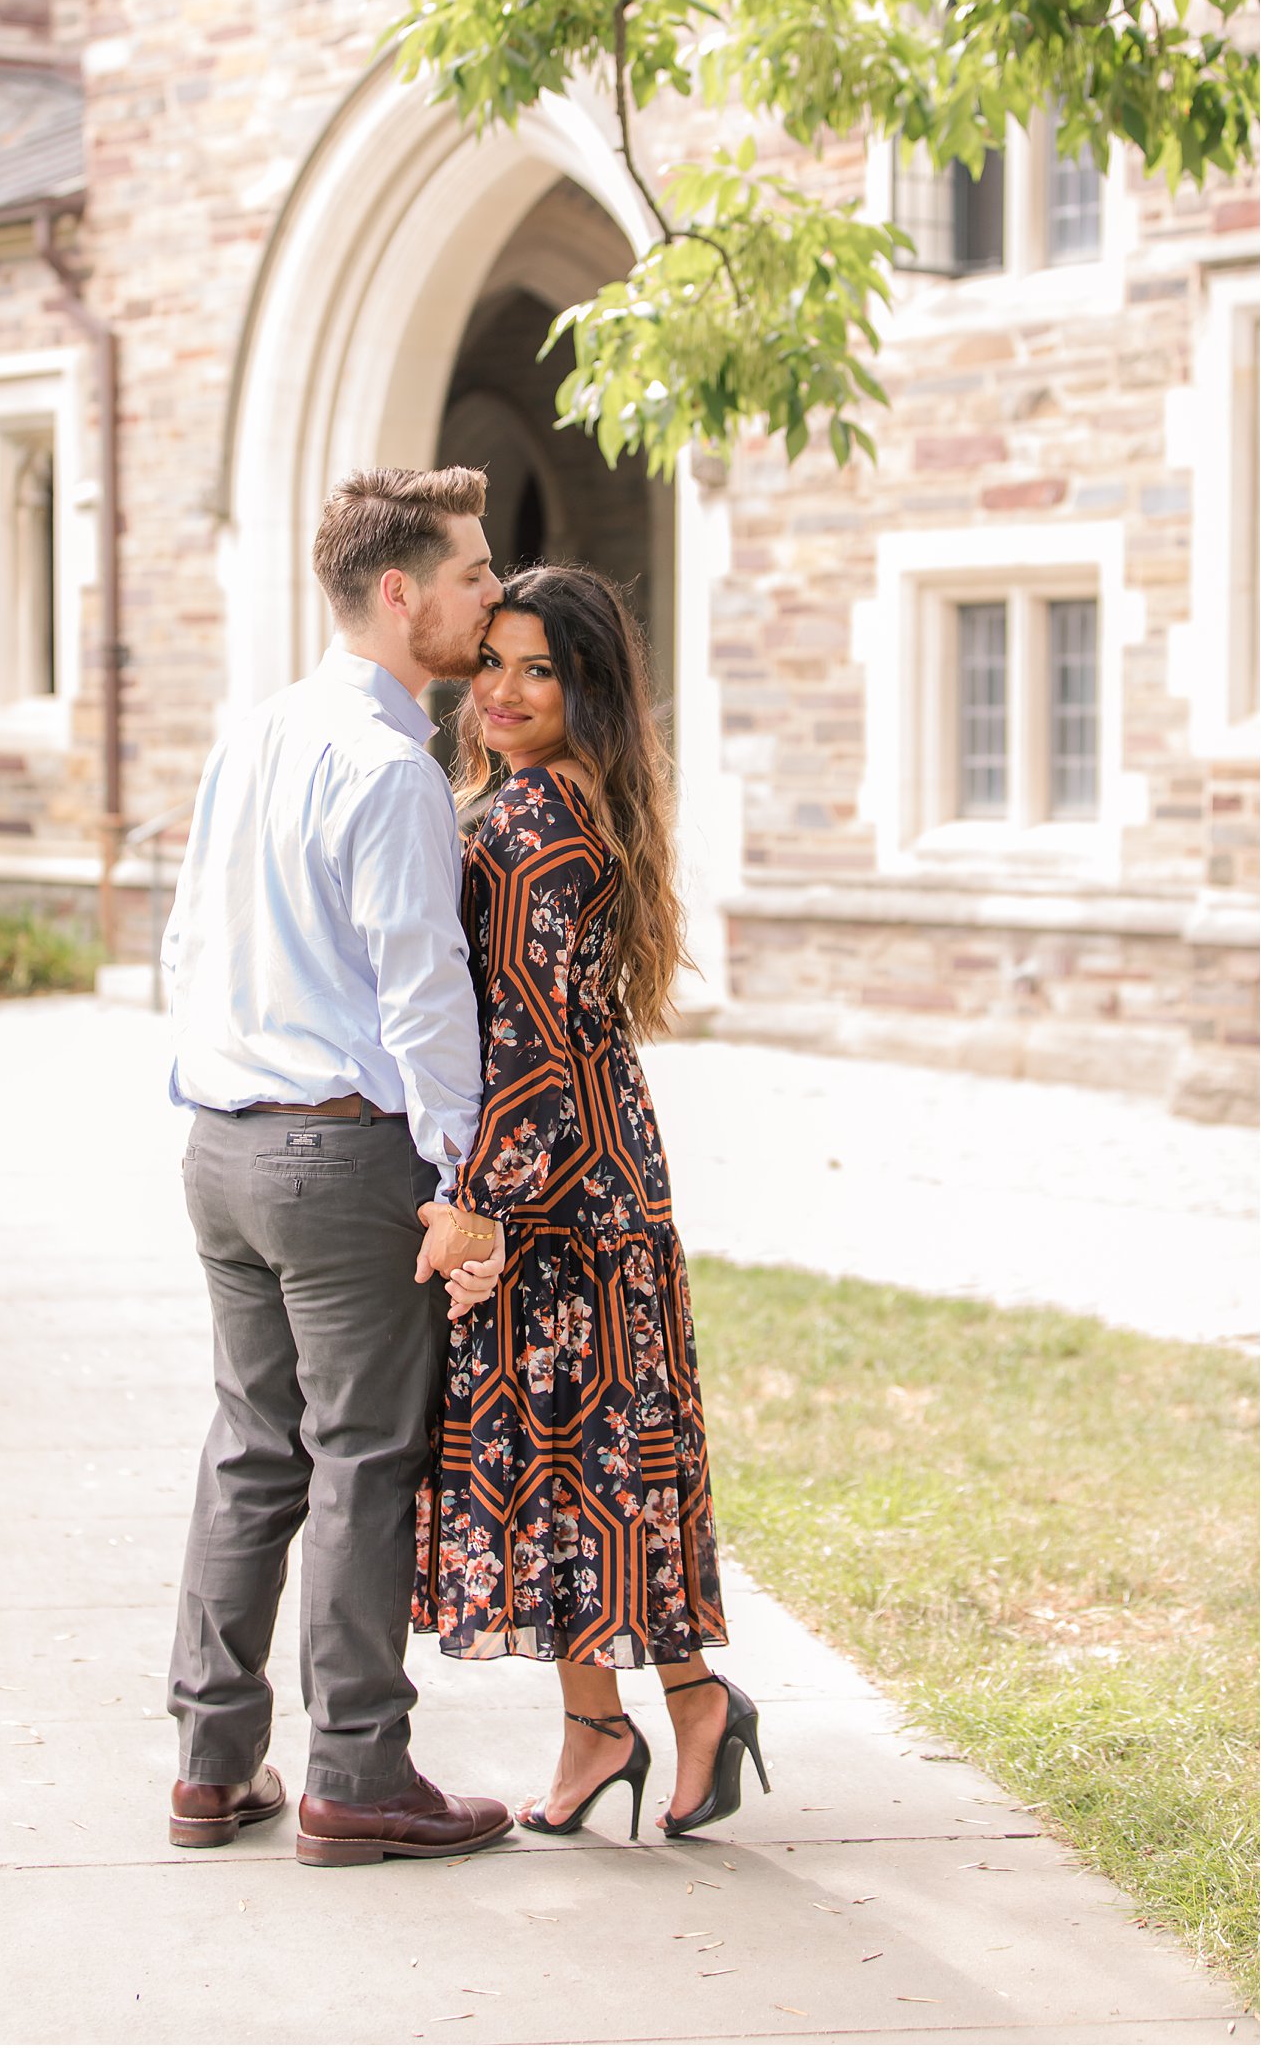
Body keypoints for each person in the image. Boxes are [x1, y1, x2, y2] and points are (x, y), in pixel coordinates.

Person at [162, 465, 514, 1868]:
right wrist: (462, 1175)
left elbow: (185, 938)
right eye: (476, 575)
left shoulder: (253, 735)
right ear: (399, 594)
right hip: (338, 1156)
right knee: (361, 1460)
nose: (492, 597)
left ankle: (208, 1764)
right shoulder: (391, 768)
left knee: (253, 1449)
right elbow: (424, 989)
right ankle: (357, 1774)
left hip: (222, 1148)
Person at [413, 563, 769, 1840]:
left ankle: (637, 1720)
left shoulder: (528, 831)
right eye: (493, 661)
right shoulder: (558, 805)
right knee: (593, 1479)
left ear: (588, 691)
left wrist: (482, 1207)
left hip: (558, 1206)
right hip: (600, 1187)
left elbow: (532, 1044)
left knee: (580, 1478)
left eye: (539, 670)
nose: (501, 691)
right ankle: (639, 1717)